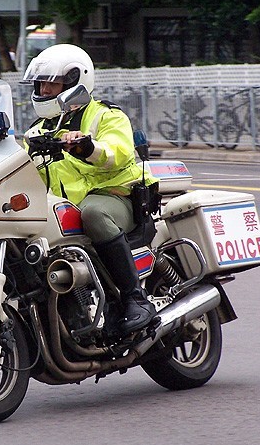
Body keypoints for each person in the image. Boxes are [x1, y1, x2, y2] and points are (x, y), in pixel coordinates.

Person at [21, 43, 161, 339]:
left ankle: (134, 298)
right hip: (63, 209)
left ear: (75, 81)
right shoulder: (35, 133)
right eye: (41, 84)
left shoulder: (105, 116)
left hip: (116, 198)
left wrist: (87, 146)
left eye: (52, 83)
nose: (44, 90)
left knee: (93, 213)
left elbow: (118, 153)